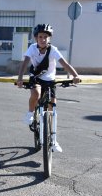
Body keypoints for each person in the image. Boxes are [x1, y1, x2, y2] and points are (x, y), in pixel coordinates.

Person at [16, 23, 81, 152]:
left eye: (45, 37)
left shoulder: (53, 50)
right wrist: (20, 78)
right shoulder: (32, 48)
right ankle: (30, 114)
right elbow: (25, 63)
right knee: (36, 94)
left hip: (50, 81)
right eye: (40, 37)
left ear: (49, 38)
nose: (43, 39)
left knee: (52, 108)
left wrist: (75, 75)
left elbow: (65, 64)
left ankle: (53, 139)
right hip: (36, 78)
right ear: (36, 38)